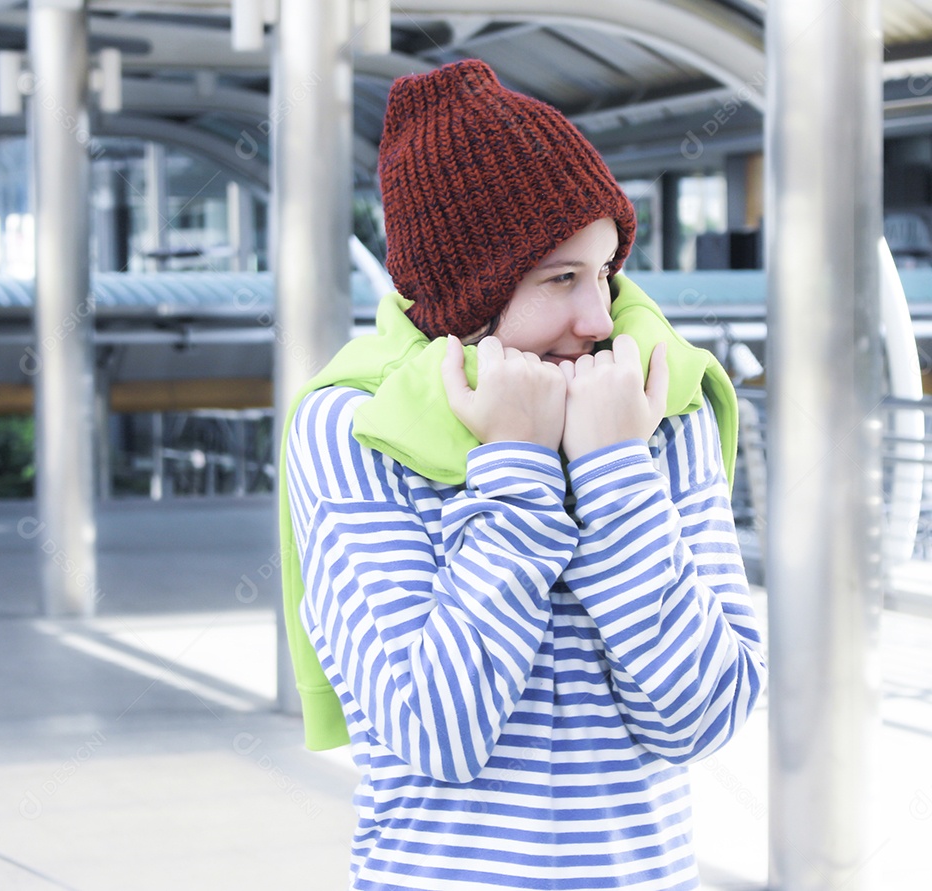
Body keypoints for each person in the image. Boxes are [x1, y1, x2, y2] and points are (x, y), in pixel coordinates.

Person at [280, 58, 766, 891]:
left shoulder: (661, 402)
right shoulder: (354, 428)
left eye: (607, 271)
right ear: (466, 302)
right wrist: (516, 466)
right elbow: (438, 731)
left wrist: (615, 472)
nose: (598, 317)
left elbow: (703, 713)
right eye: (560, 279)